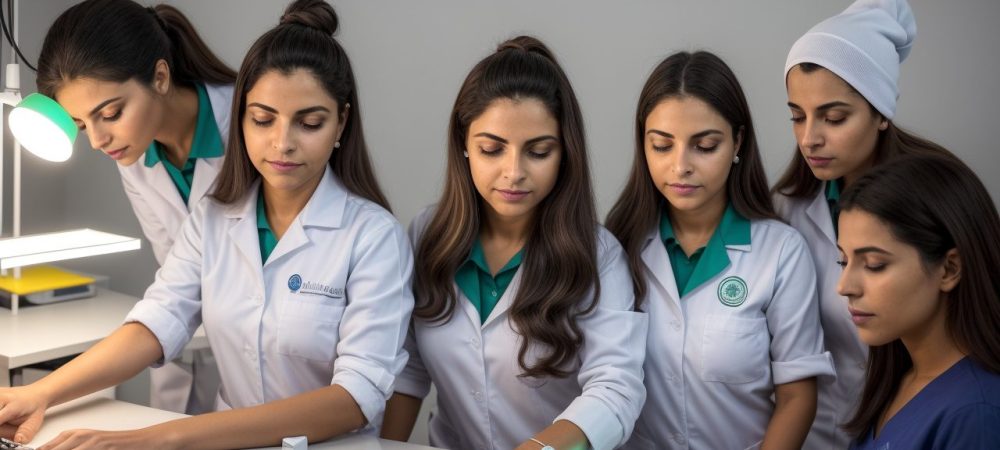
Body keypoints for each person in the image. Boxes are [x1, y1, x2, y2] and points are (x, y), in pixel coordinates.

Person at [0, 1, 412, 448]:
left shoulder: (375, 237)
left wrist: (163, 437)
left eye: (309, 123)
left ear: (340, 123)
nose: (282, 143)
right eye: (262, 120)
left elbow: (356, 397)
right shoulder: (213, 216)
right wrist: (40, 392)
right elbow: (162, 314)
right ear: (243, 118)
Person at [380, 36, 647, 450]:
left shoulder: (599, 255)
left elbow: (616, 392)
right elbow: (408, 372)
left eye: (538, 152)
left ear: (565, 154)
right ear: (464, 146)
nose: (514, 172)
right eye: (492, 149)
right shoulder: (426, 234)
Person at [606, 51, 834, 449]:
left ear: (737, 142)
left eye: (704, 146)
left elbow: (798, 397)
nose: (680, 166)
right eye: (662, 146)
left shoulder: (780, 252)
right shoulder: (617, 248)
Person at [36, 0, 237, 414]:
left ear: (160, 76)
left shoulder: (251, 128)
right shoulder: (134, 154)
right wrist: (41, 393)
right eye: (80, 124)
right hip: (208, 351)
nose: (96, 139)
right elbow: (177, 285)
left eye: (110, 113)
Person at [772, 1, 958, 446]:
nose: (809, 138)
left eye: (834, 118)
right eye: (797, 116)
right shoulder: (784, 212)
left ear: (880, 113)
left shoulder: (938, 202)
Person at [836, 155, 1000, 448]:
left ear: (949, 269)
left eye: (874, 264)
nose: (844, 287)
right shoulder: (897, 380)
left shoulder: (976, 414)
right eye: (843, 261)